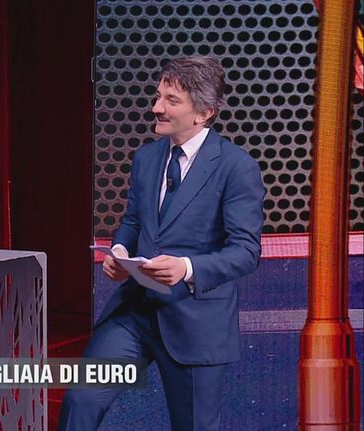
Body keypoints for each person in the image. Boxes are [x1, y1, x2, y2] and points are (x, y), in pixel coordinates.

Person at [59, 57, 265, 430]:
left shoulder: (236, 167)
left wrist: (186, 268)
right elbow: (133, 222)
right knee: (82, 398)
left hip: (196, 322)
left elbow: (246, 251)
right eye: (158, 96)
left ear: (203, 113)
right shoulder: (147, 158)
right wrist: (120, 252)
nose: (156, 107)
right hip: (136, 314)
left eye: (171, 100)